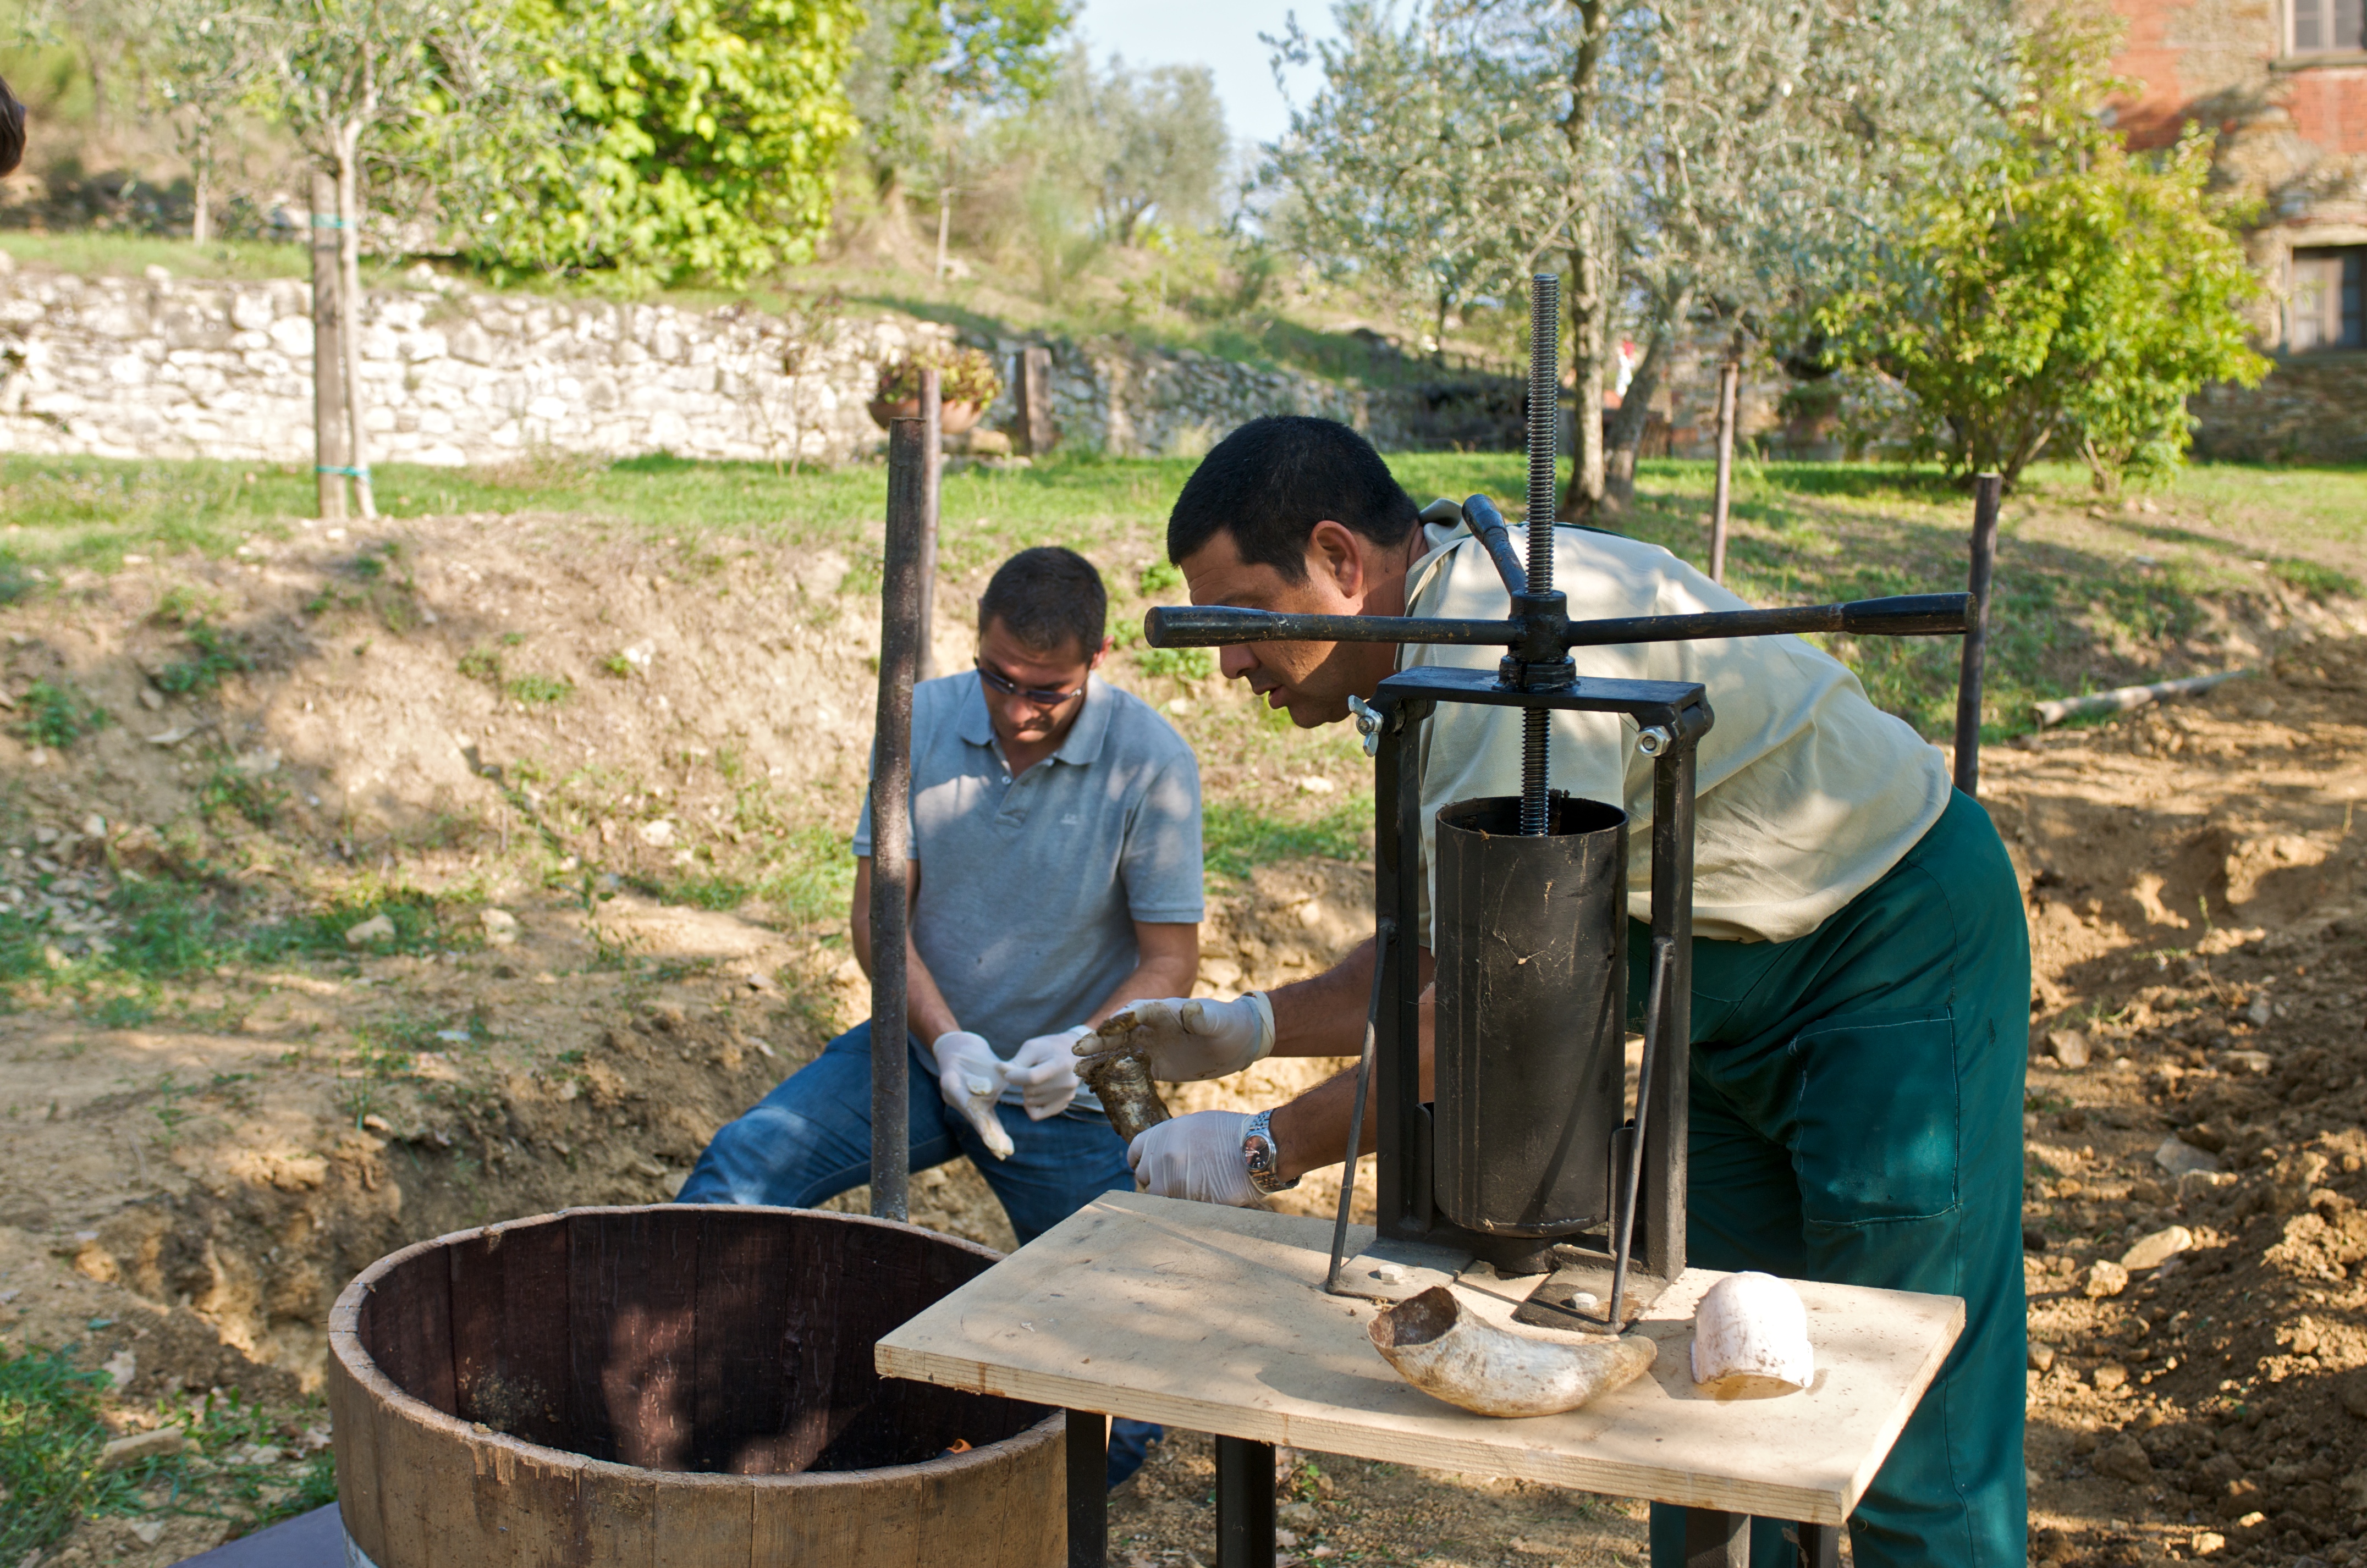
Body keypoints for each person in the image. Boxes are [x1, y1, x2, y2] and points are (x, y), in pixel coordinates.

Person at [1084, 416, 2028, 1568]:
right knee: (1711, 1389)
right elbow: (1446, 957)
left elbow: (1483, 1034)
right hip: (1713, 987)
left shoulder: (1498, 665)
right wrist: (1253, 1027)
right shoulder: (1439, 634)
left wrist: (1262, 1150)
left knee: (1906, 1410)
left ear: (1339, 559)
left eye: (1238, 623)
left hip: (1888, 947)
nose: (1229, 665)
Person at [678, 544, 1204, 1486]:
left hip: (1064, 1098)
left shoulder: (1153, 762)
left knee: (1128, 1395)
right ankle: (682, 1433)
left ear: (1101, 658)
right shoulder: (920, 720)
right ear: (976, 647)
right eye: (998, 679)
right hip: (924, 1061)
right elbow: (878, 917)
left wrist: (1082, 1052)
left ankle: (990, 1520)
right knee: (739, 1171)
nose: (1016, 710)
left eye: (1046, 692)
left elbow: (1171, 960)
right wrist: (946, 1038)